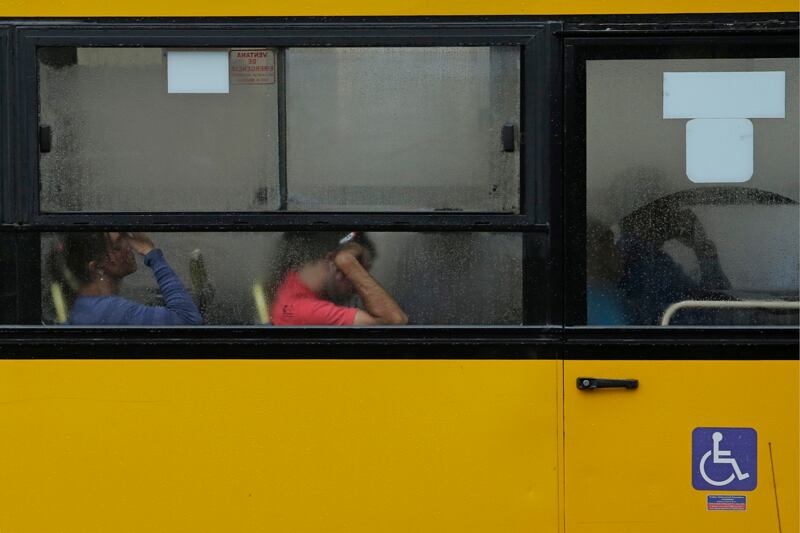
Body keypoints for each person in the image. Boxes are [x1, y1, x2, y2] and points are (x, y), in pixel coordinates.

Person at [60, 232, 203, 326]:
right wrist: (150, 252)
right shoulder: (108, 309)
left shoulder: (88, 305)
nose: (129, 246)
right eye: (118, 245)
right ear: (97, 266)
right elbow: (189, 321)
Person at [268, 232, 407, 326]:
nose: (359, 289)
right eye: (357, 272)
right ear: (333, 262)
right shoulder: (304, 309)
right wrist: (346, 260)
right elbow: (395, 320)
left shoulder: (290, 283)